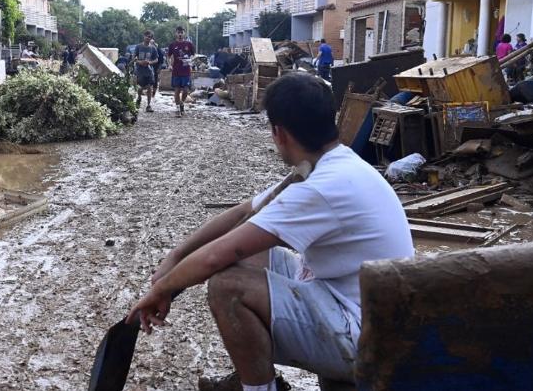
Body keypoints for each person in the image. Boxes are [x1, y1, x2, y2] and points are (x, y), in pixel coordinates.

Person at [127, 73, 414, 391]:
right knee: (253, 253)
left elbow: (215, 256)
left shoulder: (322, 187)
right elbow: (244, 211)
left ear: (279, 133)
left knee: (228, 286)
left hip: (367, 340)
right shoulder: (335, 165)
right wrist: (176, 255)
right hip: (363, 312)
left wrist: (162, 289)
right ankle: (257, 377)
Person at [168, 26, 195, 117]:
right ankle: (177, 109)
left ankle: (182, 102)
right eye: (178, 32)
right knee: (176, 90)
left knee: (186, 90)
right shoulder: (172, 45)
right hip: (176, 71)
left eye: (182, 32)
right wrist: (170, 65)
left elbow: (194, 56)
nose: (180, 34)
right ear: (176, 33)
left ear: (184, 34)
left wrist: (190, 61)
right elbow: (168, 56)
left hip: (186, 71)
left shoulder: (189, 44)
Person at [134, 30, 159, 112]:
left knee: (149, 87)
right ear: (144, 36)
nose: (148, 38)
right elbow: (134, 58)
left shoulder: (153, 48)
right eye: (147, 36)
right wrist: (139, 62)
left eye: (150, 37)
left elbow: (156, 59)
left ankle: (148, 105)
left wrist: (150, 62)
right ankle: (139, 97)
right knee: (140, 87)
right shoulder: (138, 47)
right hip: (140, 70)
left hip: (149, 70)